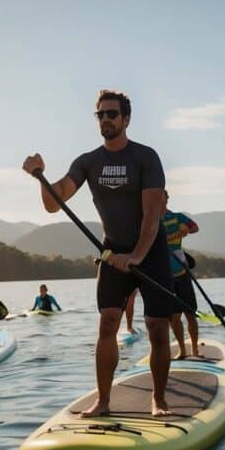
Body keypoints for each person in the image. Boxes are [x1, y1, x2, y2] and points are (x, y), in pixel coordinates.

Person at [23, 89, 173, 417]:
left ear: (126, 119)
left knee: (157, 327)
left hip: (150, 250)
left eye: (112, 114)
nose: (105, 119)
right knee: (107, 324)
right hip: (112, 252)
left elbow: (151, 216)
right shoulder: (88, 161)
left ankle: (159, 401)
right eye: (100, 114)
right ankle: (103, 402)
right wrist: (40, 177)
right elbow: (53, 203)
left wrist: (135, 256)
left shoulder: (146, 157)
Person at [163, 192, 200, 358]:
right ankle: (182, 350)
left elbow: (195, 227)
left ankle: (195, 349)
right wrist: (178, 234)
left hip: (181, 271)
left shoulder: (177, 217)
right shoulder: (149, 220)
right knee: (174, 317)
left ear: (166, 199)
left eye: (162, 197)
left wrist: (187, 230)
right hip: (164, 274)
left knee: (190, 314)